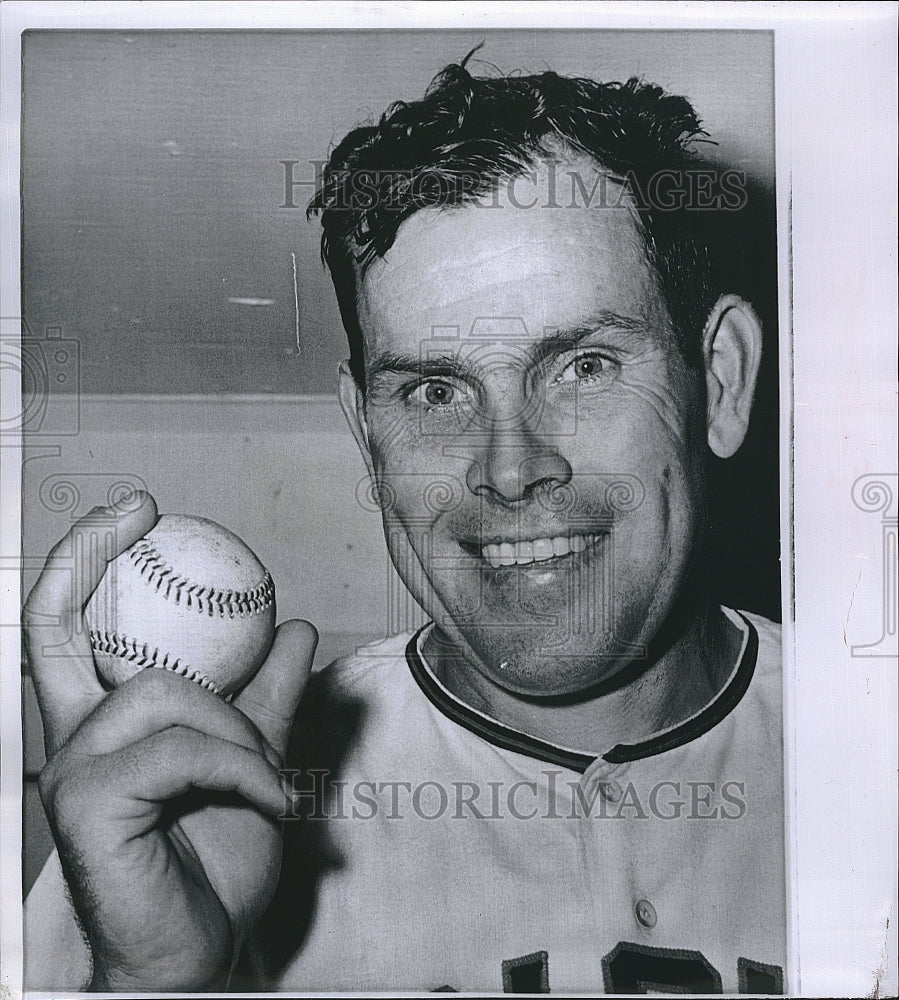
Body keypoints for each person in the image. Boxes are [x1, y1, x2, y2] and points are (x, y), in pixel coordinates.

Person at [23, 58, 785, 993]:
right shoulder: (181, 818)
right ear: (366, 433)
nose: (510, 468)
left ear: (724, 380)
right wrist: (152, 980)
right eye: (433, 389)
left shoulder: (870, 743)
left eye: (582, 366)